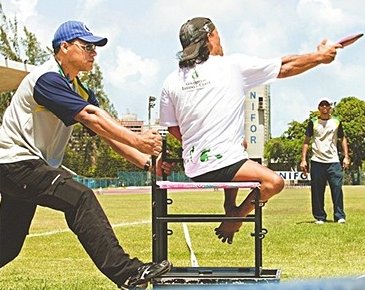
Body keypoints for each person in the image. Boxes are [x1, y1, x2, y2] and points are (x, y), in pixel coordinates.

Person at [0, 20, 172, 289]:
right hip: (16, 163)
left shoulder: (76, 88)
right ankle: (127, 273)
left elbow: (103, 130)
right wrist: (139, 140)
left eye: (95, 47)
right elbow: (91, 117)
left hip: (24, 166)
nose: (93, 52)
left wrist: (144, 162)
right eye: (87, 46)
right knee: (80, 197)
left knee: (7, 245)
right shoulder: (47, 79)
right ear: (64, 48)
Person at [159, 17, 342, 244]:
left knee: (238, 146)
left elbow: (173, 128)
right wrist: (319, 57)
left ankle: (229, 205)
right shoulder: (231, 66)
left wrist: (203, 142)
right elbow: (284, 66)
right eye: (219, 36)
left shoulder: (170, 81)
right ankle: (236, 216)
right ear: (209, 38)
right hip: (227, 165)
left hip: (195, 167)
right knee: (274, 182)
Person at [300, 99, 349, 224]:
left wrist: (346, 156)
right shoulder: (313, 123)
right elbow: (306, 141)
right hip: (317, 160)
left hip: (333, 161)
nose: (325, 107)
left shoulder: (336, 122)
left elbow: (342, 138)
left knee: (337, 188)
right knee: (317, 190)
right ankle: (320, 217)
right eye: (322, 105)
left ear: (330, 108)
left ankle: (339, 216)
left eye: (327, 105)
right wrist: (303, 160)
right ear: (319, 108)